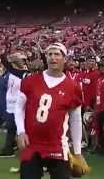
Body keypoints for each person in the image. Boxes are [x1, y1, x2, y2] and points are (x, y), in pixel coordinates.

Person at [15, 43, 87, 179]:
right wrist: (20, 131)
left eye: (57, 54)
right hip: (32, 143)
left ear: (64, 58)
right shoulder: (30, 81)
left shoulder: (73, 87)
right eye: (50, 54)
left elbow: (75, 120)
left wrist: (77, 152)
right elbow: (19, 108)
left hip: (57, 145)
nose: (53, 58)